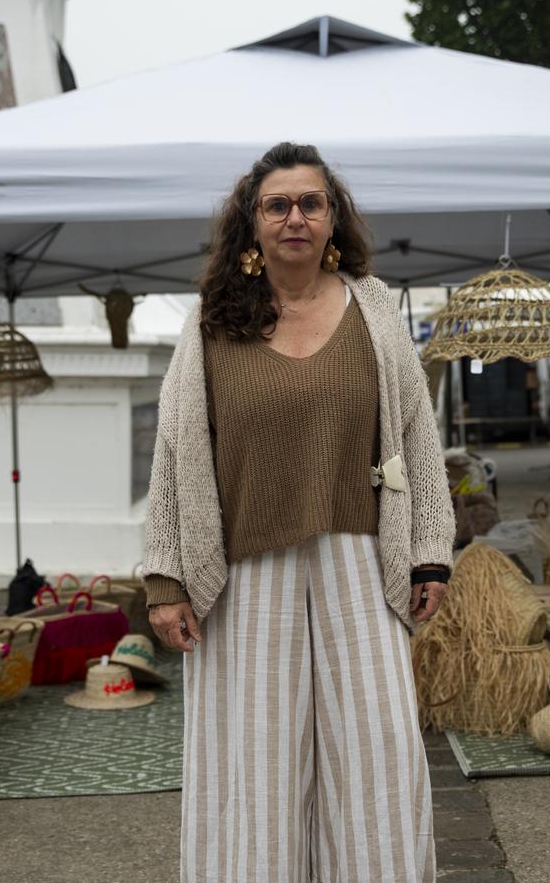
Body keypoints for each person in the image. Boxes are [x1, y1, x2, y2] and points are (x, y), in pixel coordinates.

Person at [143, 142, 455, 883]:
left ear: (333, 218)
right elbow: (174, 450)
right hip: (244, 572)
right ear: (251, 223)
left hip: (361, 562)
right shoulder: (213, 323)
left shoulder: (376, 310)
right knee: (253, 768)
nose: (295, 217)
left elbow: (417, 431)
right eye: (276, 203)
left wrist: (430, 551)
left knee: (378, 754)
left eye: (311, 203)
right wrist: (165, 577)